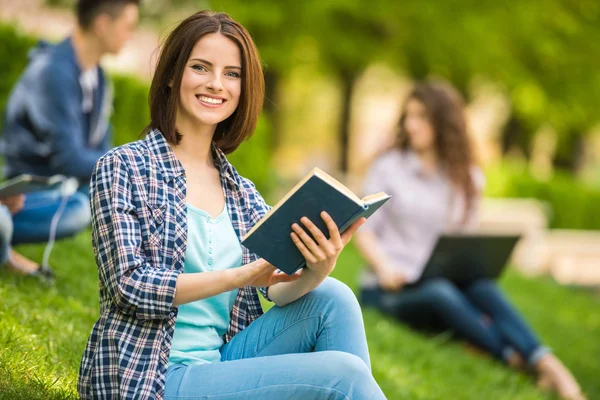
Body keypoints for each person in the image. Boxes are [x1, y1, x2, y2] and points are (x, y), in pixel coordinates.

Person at [78, 11, 385, 400]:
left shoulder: (240, 191)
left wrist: (317, 270)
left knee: (334, 297)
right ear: (173, 74)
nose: (216, 84)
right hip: (150, 376)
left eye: (232, 74)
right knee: (343, 375)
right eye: (201, 67)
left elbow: (275, 287)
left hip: (221, 365)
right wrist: (240, 276)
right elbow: (129, 287)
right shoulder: (123, 167)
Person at [354, 81, 584, 400]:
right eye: (407, 117)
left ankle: (550, 364)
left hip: (442, 279)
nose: (410, 125)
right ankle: (514, 359)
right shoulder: (389, 167)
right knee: (439, 292)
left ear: (443, 122)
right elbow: (363, 231)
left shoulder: (467, 176)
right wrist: (384, 269)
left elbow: (462, 240)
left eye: (421, 117)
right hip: (388, 289)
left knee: (483, 286)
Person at [0, 0, 140, 275]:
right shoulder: (53, 72)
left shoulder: (97, 77)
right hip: (35, 189)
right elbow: (71, 159)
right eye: (128, 27)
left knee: (118, 197)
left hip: (70, 184)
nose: (131, 35)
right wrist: (127, 163)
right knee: (81, 208)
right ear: (102, 25)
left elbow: (99, 150)